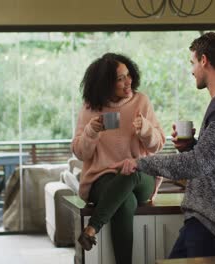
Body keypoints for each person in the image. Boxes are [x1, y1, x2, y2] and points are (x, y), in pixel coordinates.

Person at [111, 32, 215, 258]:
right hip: (205, 220)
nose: (192, 70)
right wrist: (190, 145)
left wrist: (141, 164)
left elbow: (197, 164)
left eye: (193, 62)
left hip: (212, 223)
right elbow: (212, 159)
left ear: (204, 60)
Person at [71, 53, 165, 264]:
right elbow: (80, 153)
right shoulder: (90, 107)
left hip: (140, 177)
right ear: (105, 85)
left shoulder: (141, 101)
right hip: (103, 178)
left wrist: (145, 130)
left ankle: (92, 228)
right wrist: (91, 132)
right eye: (120, 79)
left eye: (128, 75)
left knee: (132, 171)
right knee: (125, 202)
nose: (128, 82)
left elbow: (158, 144)